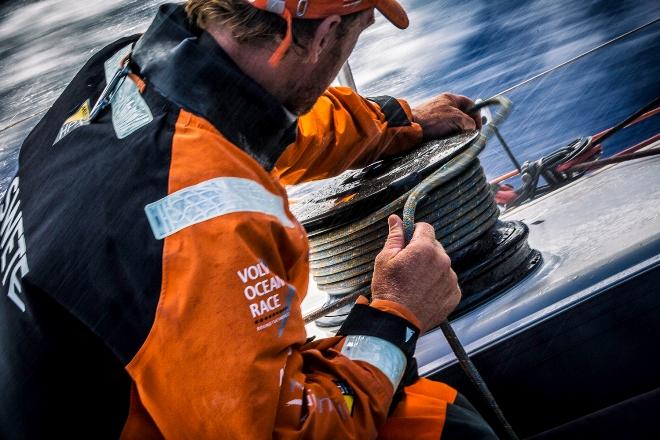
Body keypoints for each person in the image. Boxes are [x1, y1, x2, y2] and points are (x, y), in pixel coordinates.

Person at [0, 0, 497, 438]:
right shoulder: (202, 223)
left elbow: (266, 128)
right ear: (324, 36)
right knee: (448, 432)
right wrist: (398, 316)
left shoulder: (125, 71)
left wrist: (393, 123)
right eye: (356, 32)